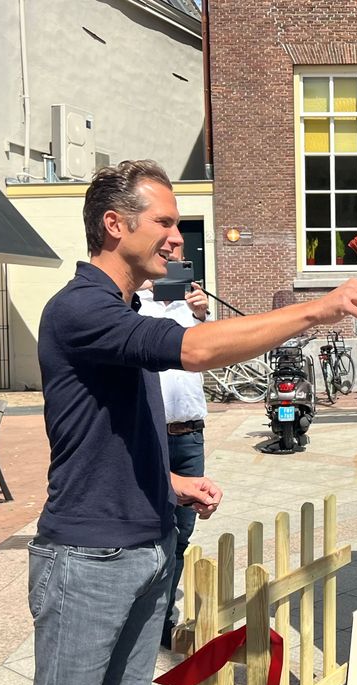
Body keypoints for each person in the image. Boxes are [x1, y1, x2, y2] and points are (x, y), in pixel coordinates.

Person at [30, 159, 357, 685]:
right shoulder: (79, 308)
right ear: (114, 225)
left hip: (146, 546)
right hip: (90, 557)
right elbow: (197, 348)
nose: (178, 239)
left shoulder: (123, 308)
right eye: (165, 223)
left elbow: (104, 431)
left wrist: (169, 482)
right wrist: (317, 309)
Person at [136, 249, 209, 650]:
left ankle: (163, 616)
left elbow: (203, 356)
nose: (172, 264)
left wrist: (199, 315)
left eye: (178, 260)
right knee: (154, 526)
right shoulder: (134, 306)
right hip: (153, 432)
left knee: (182, 531)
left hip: (190, 434)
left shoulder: (190, 309)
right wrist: (141, 288)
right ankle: (151, 614)